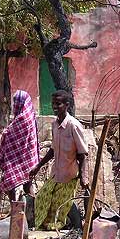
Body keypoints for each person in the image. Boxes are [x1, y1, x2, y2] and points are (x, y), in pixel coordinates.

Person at [29, 90, 89, 230]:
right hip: (56, 172)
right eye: (53, 104)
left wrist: (83, 176)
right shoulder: (55, 125)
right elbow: (53, 149)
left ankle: (77, 227)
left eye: (58, 104)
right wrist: (38, 166)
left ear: (67, 105)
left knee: (62, 202)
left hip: (69, 172)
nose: (55, 107)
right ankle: (47, 225)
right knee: (43, 197)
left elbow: (82, 153)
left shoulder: (73, 125)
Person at [0, 90, 39, 201]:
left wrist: (5, 132)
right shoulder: (30, 115)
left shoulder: (22, 119)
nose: (14, 105)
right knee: (27, 185)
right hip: (29, 159)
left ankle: (15, 207)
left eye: (15, 102)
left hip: (18, 160)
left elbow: (9, 134)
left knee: (10, 182)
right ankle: (31, 210)